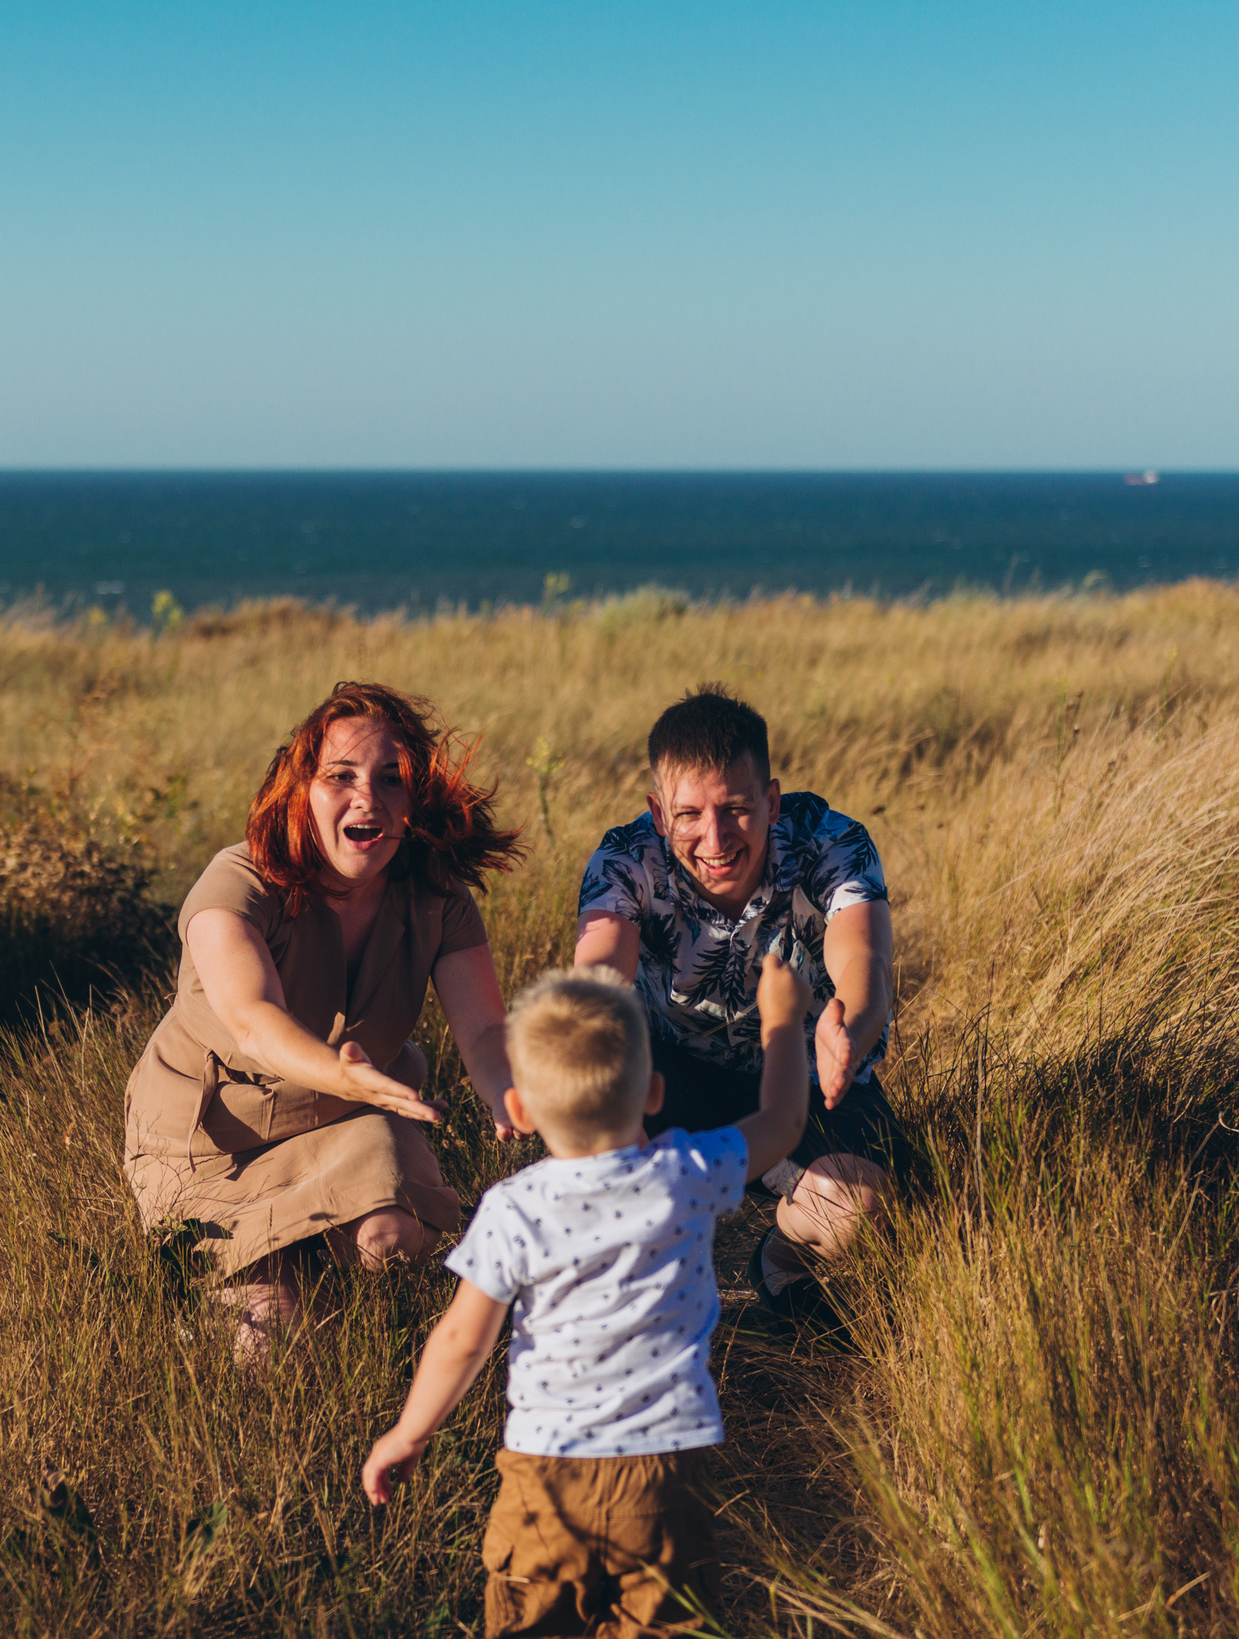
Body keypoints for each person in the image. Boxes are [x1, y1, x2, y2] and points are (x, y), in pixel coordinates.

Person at [361, 956, 812, 1638]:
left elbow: (462, 1338)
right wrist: (782, 1020)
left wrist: (409, 1431)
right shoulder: (688, 1172)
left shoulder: (514, 1208)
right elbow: (781, 1122)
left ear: (519, 1107)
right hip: (665, 1470)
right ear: (654, 1091)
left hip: (546, 1474)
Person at [124, 681, 523, 1361]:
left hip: (344, 1123)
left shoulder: (436, 897)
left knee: (392, 1237)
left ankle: (331, 1271)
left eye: (391, 779)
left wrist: (510, 1094)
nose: (367, 796)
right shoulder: (239, 884)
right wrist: (346, 1074)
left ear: (414, 800)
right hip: (214, 1144)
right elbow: (253, 1019)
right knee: (269, 1343)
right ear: (300, 790)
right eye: (340, 776)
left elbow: (484, 1034)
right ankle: (258, 1285)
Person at [572, 685, 894, 1321]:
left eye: (737, 809)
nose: (714, 838)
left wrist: (850, 1026)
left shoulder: (833, 842)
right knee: (591, 1164)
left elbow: (863, 957)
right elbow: (601, 966)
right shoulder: (624, 858)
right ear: (659, 814)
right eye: (688, 815)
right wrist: (598, 1076)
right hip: (673, 1076)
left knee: (861, 1215)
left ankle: (778, 1258)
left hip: (809, 1074)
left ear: (772, 801)